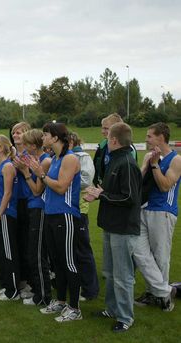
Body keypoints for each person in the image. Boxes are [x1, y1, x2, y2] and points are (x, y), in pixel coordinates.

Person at [85, 122, 142, 333]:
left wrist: (102, 194)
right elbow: (112, 191)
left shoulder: (126, 163)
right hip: (110, 225)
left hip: (123, 228)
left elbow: (129, 197)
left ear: (115, 140)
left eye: (108, 137)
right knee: (109, 272)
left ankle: (125, 317)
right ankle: (111, 308)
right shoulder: (116, 161)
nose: (105, 140)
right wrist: (98, 193)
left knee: (123, 275)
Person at [28, 122, 82, 322]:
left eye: (45, 134)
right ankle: (60, 301)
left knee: (69, 262)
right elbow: (40, 189)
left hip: (65, 215)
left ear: (56, 137)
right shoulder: (54, 159)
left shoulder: (69, 158)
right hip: (50, 214)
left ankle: (75, 307)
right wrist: (34, 172)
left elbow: (60, 187)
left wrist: (41, 174)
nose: (43, 138)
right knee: (57, 262)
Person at [133, 122, 180, 311]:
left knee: (160, 256)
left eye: (149, 136)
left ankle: (157, 296)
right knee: (139, 252)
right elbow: (139, 181)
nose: (146, 139)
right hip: (144, 208)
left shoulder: (175, 159)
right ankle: (163, 292)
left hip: (163, 211)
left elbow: (165, 185)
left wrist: (154, 165)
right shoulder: (149, 156)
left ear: (161, 137)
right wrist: (147, 164)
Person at [13, 129, 52, 306]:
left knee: (37, 254)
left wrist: (26, 172)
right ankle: (37, 290)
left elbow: (37, 190)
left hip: (40, 209)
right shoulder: (35, 158)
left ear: (34, 146)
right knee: (31, 252)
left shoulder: (45, 161)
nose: (24, 148)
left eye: (27, 145)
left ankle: (43, 295)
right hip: (32, 208)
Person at [0, 135, 20, 301]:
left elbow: (7, 193)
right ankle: (6, 286)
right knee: (0, 253)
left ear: (0, 148)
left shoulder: (7, 166)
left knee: (8, 254)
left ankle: (13, 291)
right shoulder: (0, 165)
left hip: (6, 215)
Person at [68, 132, 99, 301]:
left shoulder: (83, 156)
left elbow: (86, 180)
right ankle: (77, 284)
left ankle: (90, 290)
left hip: (80, 209)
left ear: (71, 141)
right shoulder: (66, 156)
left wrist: (65, 179)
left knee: (82, 250)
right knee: (71, 251)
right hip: (68, 209)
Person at [10, 121, 32, 295]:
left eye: (20, 132)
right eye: (14, 132)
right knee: (16, 241)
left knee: (26, 243)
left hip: (27, 200)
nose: (16, 135)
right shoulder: (13, 153)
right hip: (14, 200)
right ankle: (20, 278)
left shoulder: (29, 154)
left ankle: (30, 282)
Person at [93, 113, 137, 186]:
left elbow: (128, 175)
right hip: (104, 190)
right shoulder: (102, 146)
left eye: (106, 128)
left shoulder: (129, 149)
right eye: (102, 128)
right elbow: (96, 167)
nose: (102, 132)